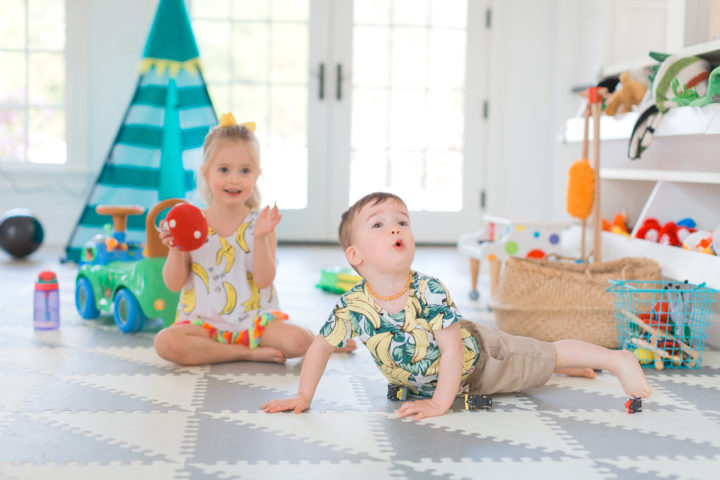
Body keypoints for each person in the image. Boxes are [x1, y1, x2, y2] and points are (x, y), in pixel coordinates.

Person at [262, 192, 651, 420]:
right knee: (544, 361)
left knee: (543, 355)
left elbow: (450, 349)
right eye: (378, 225)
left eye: (402, 221)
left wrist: (439, 403)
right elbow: (321, 348)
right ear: (355, 255)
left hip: (483, 362)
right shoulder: (352, 307)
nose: (396, 228)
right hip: (453, 373)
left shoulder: (429, 289)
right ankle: (570, 366)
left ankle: (618, 360)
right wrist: (304, 397)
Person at [154, 113, 355, 366]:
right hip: (202, 324)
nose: (234, 179)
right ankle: (245, 353)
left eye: (245, 170)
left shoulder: (260, 224)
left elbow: (264, 280)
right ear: (206, 174)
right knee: (165, 342)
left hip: (255, 323)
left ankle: (317, 341)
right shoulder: (192, 222)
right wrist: (175, 247)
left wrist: (260, 238)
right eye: (224, 170)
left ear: (256, 175)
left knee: (299, 341)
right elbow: (174, 284)